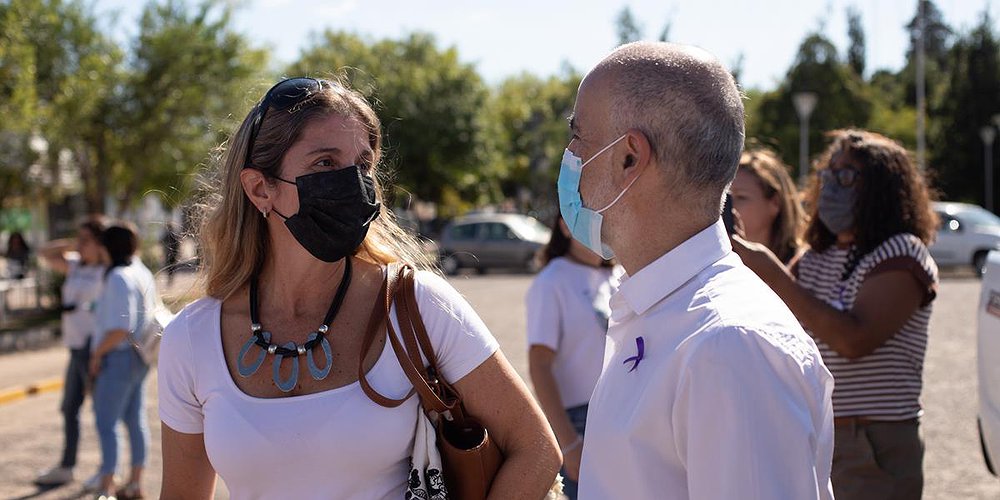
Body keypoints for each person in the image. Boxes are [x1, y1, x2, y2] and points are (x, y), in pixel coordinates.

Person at [157, 77, 560, 499]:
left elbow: (535, 449)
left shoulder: (418, 306)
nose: (352, 182)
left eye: (363, 165)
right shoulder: (192, 337)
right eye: (326, 163)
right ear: (261, 189)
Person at [561, 42, 835, 499]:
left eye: (577, 137)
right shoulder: (661, 309)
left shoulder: (728, 346)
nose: (569, 155)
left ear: (630, 157)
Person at [733, 129, 939, 500]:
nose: (829, 187)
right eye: (827, 176)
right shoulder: (816, 258)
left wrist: (770, 270)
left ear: (881, 187)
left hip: (874, 442)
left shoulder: (902, 254)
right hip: (816, 434)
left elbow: (854, 340)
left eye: (845, 176)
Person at [527, 214, 620, 499]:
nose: (601, 224)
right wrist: (568, 443)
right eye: (590, 215)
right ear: (565, 225)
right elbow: (540, 366)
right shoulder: (551, 281)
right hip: (581, 423)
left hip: (624, 413)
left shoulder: (618, 275)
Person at [33, 218, 108, 489]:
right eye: (79, 239)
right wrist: (73, 243)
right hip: (75, 346)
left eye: (86, 239)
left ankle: (107, 470)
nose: (80, 244)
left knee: (103, 413)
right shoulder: (76, 264)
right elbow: (44, 253)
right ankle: (67, 466)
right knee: (69, 409)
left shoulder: (106, 271)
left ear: (100, 243)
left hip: (94, 347)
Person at [90, 223, 157, 500]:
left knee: (107, 422)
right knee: (134, 419)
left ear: (107, 247)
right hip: (139, 355)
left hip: (118, 355)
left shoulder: (118, 276)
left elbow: (121, 326)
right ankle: (135, 483)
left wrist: (96, 355)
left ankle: (106, 486)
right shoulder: (141, 271)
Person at [730, 148, 806, 264]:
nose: (728, 204)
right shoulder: (716, 262)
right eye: (725, 196)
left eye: (741, 197)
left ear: (775, 203)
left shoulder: (805, 267)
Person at [161, 222, 180, 287]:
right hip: (173, 253)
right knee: (172, 266)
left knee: (169, 266)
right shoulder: (175, 234)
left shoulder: (167, 234)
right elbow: (178, 244)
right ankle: (171, 279)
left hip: (168, 253)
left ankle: (170, 279)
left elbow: (161, 241)